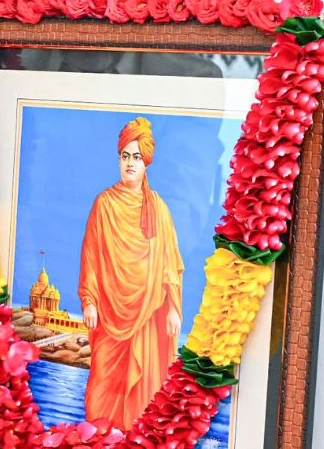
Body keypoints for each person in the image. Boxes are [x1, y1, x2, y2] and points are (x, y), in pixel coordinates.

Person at [78, 117, 184, 429]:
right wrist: (89, 301)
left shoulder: (160, 209)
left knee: (145, 394)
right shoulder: (104, 204)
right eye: (125, 155)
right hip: (110, 315)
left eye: (136, 157)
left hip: (149, 315)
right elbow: (91, 257)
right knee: (101, 391)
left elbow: (170, 262)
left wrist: (174, 308)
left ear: (146, 162)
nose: (130, 163)